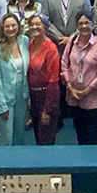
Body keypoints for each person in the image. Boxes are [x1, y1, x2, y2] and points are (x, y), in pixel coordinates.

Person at [60, 11, 97, 144]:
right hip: (74, 97)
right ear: (76, 25)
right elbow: (64, 64)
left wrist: (86, 91)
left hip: (93, 99)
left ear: (92, 24)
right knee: (80, 133)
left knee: (93, 137)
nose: (84, 26)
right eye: (80, 23)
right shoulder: (71, 42)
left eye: (87, 22)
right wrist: (70, 87)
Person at [0, 13, 29, 146]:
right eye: (7, 26)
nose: (10, 29)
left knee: (19, 133)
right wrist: (1, 104)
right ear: (2, 28)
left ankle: (19, 164)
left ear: (18, 26)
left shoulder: (24, 41)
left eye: (13, 25)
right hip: (4, 96)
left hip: (22, 94)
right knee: (6, 136)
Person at [26, 14, 61, 145]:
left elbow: (53, 81)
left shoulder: (51, 48)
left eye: (38, 24)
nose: (34, 27)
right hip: (34, 96)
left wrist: (47, 109)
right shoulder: (30, 45)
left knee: (46, 139)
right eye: (31, 24)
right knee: (37, 137)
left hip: (47, 97)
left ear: (45, 27)